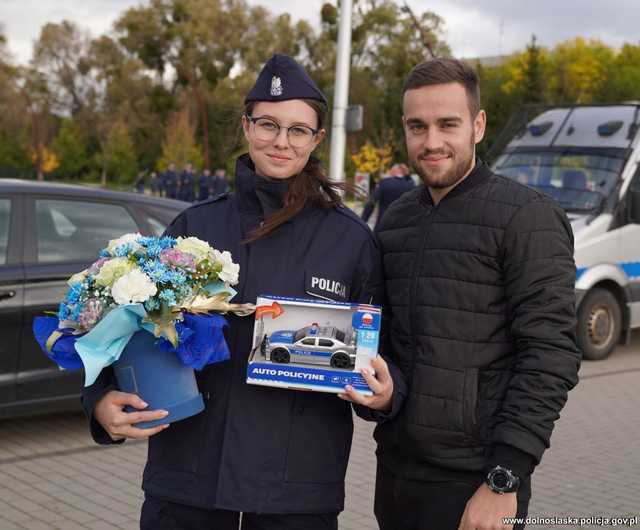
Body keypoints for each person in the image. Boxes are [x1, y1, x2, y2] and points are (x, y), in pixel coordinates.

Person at [81, 53, 405, 530]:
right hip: (188, 483)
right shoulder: (195, 226)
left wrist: (385, 393)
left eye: (297, 130)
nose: (281, 141)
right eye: (268, 124)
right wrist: (100, 399)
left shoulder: (350, 241)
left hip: (295, 495)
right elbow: (122, 329)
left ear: (317, 139)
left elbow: (387, 354)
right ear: (247, 126)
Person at [372, 58, 580, 530]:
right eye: (417, 126)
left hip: (479, 484)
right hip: (397, 476)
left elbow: (551, 355)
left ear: (478, 125)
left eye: (448, 124)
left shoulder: (527, 217)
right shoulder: (396, 222)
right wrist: (382, 396)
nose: (432, 142)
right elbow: (386, 340)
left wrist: (505, 479)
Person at [361, 163, 415, 230]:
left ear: (393, 171)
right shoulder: (410, 186)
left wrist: (363, 221)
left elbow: (371, 202)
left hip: (383, 226)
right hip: (403, 228)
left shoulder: (384, 183)